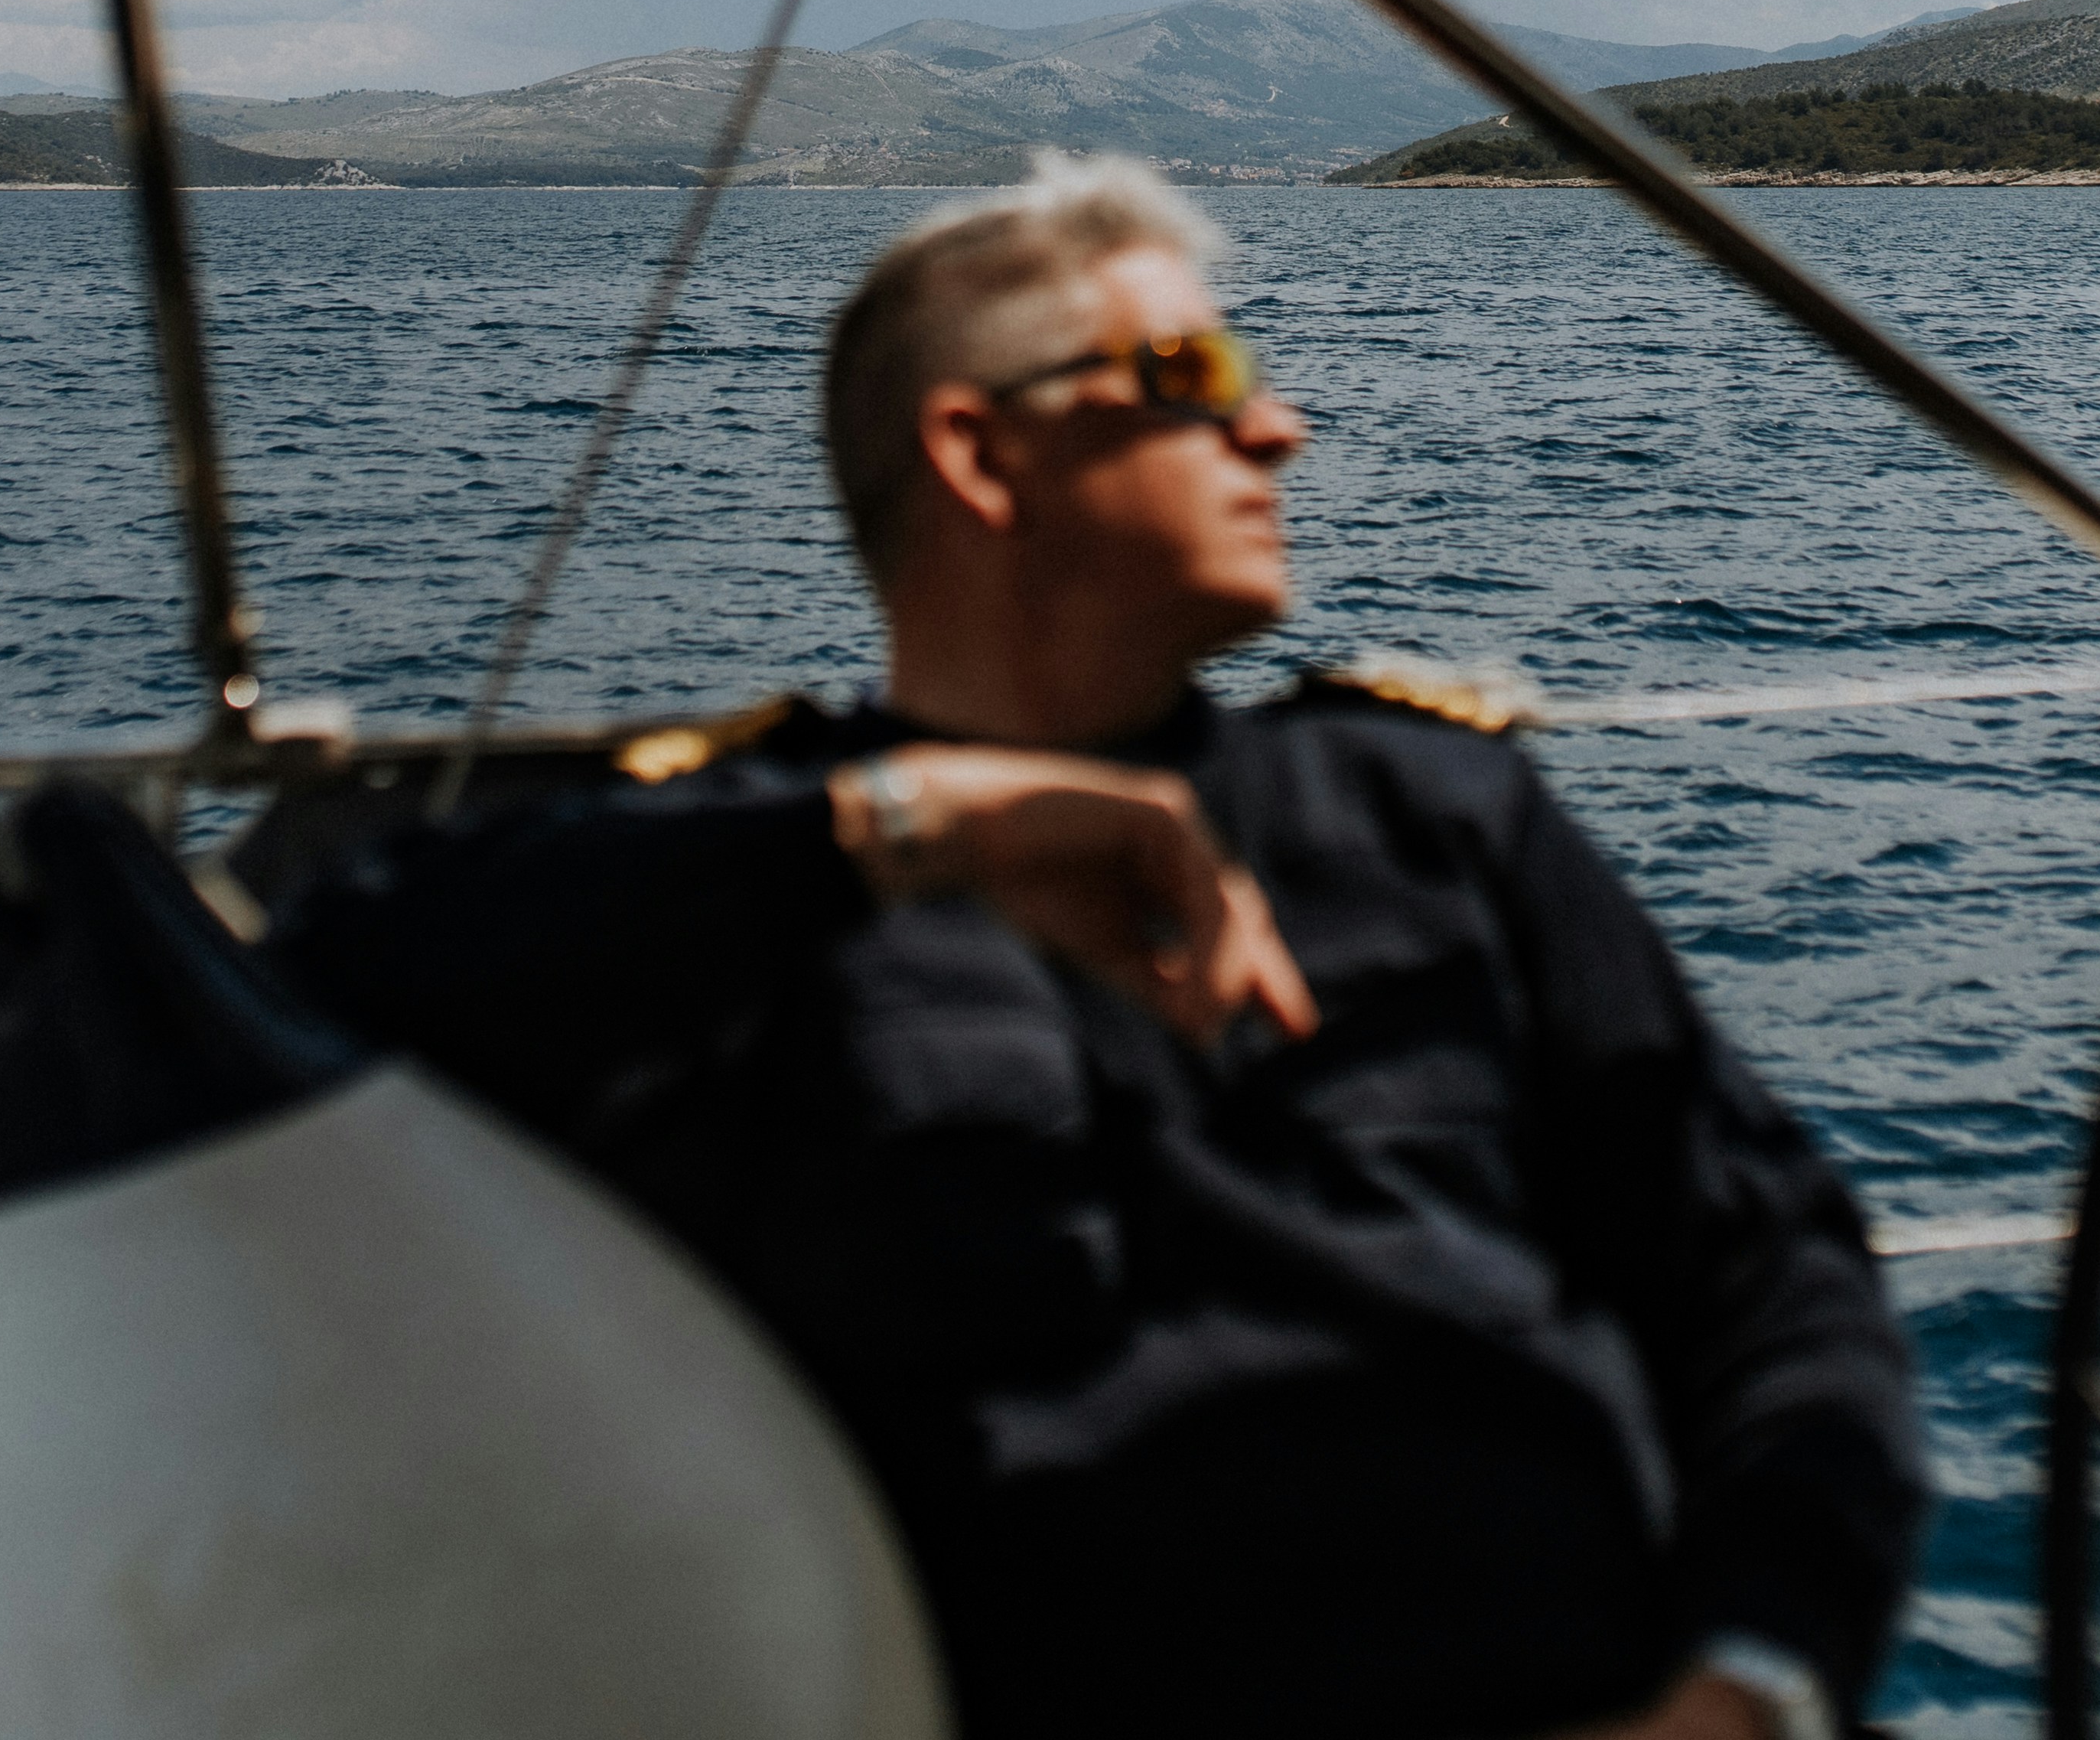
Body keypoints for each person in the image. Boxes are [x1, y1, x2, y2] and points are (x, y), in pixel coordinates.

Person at [272, 157, 1925, 1740]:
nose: (1274, 424)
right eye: (1193, 370)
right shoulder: (761, 882)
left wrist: (1754, 1686)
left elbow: (1777, 1283)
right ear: (982, 458)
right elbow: (305, 975)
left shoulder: (1433, 812)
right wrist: (921, 833)